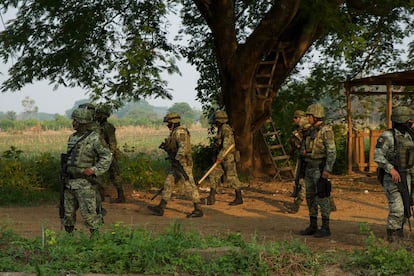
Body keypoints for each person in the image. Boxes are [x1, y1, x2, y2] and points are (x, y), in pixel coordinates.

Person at [62, 107, 113, 235]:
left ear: (83, 122)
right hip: (69, 182)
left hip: (85, 183)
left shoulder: (95, 138)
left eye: (76, 120)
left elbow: (107, 156)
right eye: (73, 120)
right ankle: (69, 238)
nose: (73, 123)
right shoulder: (72, 138)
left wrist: (94, 170)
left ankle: (95, 239)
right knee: (67, 214)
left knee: (89, 214)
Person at [147, 112, 203, 218]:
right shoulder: (174, 132)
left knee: (190, 186)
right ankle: (161, 207)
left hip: (183, 165)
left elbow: (183, 148)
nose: (167, 125)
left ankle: (198, 209)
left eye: (168, 123)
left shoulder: (180, 132)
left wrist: (177, 159)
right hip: (176, 164)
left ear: (173, 123)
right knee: (168, 183)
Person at [374, 106, 414, 243]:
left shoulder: (409, 136)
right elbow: (378, 156)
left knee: (405, 207)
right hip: (392, 178)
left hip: (407, 176)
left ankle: (399, 234)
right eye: (409, 120)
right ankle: (392, 237)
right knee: (397, 209)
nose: (411, 123)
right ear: (402, 121)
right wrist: (391, 169)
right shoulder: (387, 136)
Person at [299, 103, 336, 238]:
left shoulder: (326, 131)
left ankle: (325, 227)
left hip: (320, 168)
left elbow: (332, 152)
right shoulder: (310, 130)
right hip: (309, 167)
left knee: (322, 197)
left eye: (310, 115)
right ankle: (313, 225)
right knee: (310, 197)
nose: (308, 118)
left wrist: (327, 170)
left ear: (316, 116)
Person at [202, 110, 243, 206]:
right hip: (221, 157)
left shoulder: (226, 129)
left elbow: (226, 146)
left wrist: (219, 157)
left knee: (231, 177)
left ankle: (239, 197)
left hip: (227, 157)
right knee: (213, 175)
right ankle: (211, 197)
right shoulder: (221, 129)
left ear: (219, 121)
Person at [95, 104, 125, 203]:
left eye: (99, 114)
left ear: (103, 116)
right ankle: (101, 195)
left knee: (115, 175)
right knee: (98, 175)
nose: (97, 116)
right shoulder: (97, 127)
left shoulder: (108, 127)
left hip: (108, 154)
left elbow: (112, 142)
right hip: (100, 154)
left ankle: (121, 196)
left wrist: (110, 155)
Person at [288, 110, 310, 213]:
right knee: (300, 178)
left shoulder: (309, 129)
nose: (294, 120)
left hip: (310, 158)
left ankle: (298, 202)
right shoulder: (299, 129)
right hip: (303, 157)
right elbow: (294, 143)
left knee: (306, 181)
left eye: (296, 118)